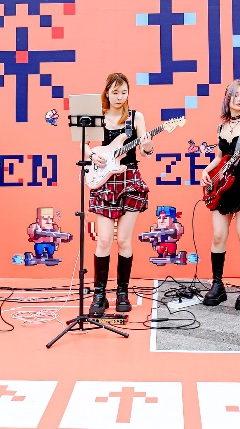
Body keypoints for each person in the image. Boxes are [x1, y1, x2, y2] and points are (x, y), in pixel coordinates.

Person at [87, 72, 154, 318]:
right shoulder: (98, 116)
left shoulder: (136, 117)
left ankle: (122, 292)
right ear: (107, 92)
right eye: (115, 92)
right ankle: (99, 294)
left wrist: (147, 144)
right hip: (104, 181)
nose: (119, 97)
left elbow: (146, 151)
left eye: (123, 92)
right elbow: (82, 143)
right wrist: (92, 155)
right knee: (104, 240)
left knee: (124, 240)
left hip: (130, 179)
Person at [199, 80, 240, 310]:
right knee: (218, 236)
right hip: (223, 187)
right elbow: (219, 158)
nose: (239, 99)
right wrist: (206, 171)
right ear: (227, 99)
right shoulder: (221, 127)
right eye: (235, 95)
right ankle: (217, 285)